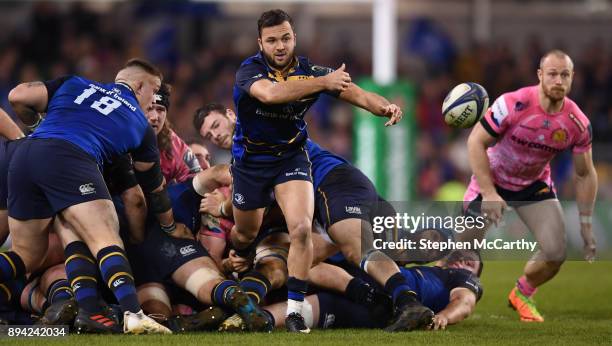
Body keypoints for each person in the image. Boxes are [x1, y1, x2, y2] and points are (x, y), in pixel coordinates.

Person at [195, 101, 436, 333]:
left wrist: (224, 209)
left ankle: (408, 303)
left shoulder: (251, 140)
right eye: (208, 135)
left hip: (332, 184)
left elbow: (254, 207)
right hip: (340, 190)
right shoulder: (245, 149)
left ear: (230, 114)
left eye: (215, 126)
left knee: (355, 248)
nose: (214, 136)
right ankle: (382, 295)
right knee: (306, 260)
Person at [2, 59, 174, 334]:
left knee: (26, 254)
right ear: (140, 86)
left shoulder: (75, 83)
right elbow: (148, 189)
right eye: (152, 93)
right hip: (72, 157)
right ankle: (134, 313)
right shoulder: (140, 125)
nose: (150, 103)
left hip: (25, 154)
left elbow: (18, 95)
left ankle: (91, 312)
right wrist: (170, 226)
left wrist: (34, 122)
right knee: (105, 236)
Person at [464, 50, 597, 322]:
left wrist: (585, 222)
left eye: (565, 74)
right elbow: (476, 141)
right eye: (552, 74)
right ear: (540, 75)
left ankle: (522, 292)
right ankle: (440, 294)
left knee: (556, 252)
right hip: (493, 179)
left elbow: (585, 173)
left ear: (572, 79)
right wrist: (489, 192)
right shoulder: (512, 104)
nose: (558, 80)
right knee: (460, 253)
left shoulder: (577, 123)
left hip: (532, 185)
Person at [262, 249, 483, 331]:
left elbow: (464, 302)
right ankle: (261, 316)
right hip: (382, 303)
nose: (462, 261)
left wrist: (444, 316)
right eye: (461, 255)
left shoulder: (462, 279)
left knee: (311, 273)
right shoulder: (429, 270)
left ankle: (256, 296)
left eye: (470, 263)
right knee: (323, 303)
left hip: (384, 291)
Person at [145, 83, 201, 184]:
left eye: (160, 110)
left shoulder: (177, 146)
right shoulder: (118, 134)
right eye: (149, 108)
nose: (154, 117)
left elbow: (197, 177)